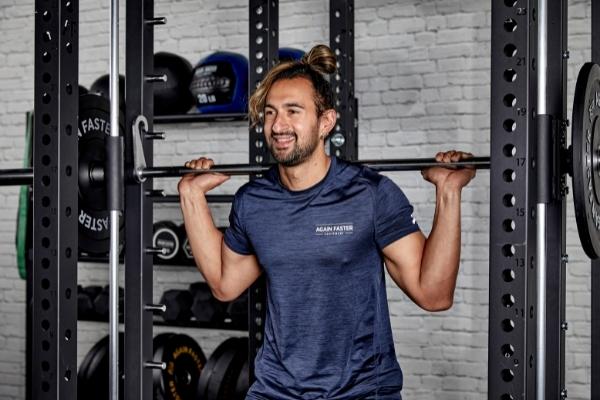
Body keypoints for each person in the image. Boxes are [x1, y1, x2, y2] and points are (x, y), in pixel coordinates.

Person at [178, 44, 476, 400]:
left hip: (360, 391)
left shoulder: (370, 194)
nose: (278, 125)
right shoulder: (253, 201)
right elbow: (225, 284)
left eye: (293, 111)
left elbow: (434, 294)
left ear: (325, 122)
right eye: (271, 113)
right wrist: (191, 196)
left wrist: (448, 192)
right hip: (276, 390)